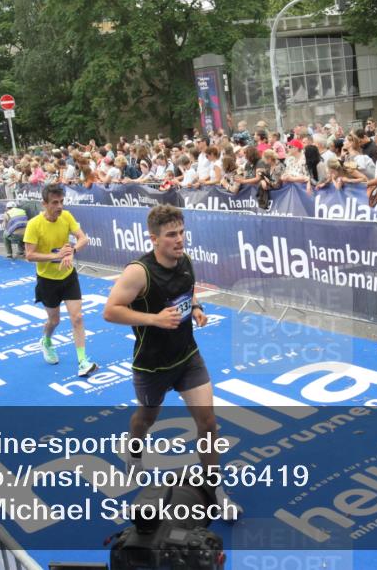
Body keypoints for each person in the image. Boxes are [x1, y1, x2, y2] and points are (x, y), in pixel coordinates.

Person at [102, 204, 241, 519]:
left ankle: (215, 491)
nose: (179, 240)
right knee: (145, 419)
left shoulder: (185, 260)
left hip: (187, 356)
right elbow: (110, 311)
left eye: (181, 232)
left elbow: (187, 292)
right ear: (154, 238)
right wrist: (154, 319)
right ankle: (134, 452)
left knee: (208, 423)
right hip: (152, 365)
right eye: (171, 235)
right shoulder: (139, 272)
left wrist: (197, 308)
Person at [23, 183, 97, 377]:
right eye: (55, 203)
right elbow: (29, 255)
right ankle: (46, 340)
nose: (59, 206)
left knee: (77, 317)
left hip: (68, 276)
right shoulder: (34, 224)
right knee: (54, 320)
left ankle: (82, 361)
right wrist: (55, 256)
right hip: (47, 280)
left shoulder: (66, 216)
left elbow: (83, 238)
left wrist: (72, 251)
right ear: (44, 204)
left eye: (61, 201)